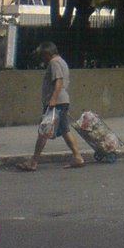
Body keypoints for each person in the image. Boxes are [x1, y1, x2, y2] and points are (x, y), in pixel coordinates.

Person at [17, 42, 84, 171]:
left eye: (42, 55)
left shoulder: (54, 63)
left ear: (47, 53)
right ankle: (77, 157)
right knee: (64, 130)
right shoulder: (61, 61)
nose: (42, 58)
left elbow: (58, 81)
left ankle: (33, 161)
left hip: (56, 102)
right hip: (61, 101)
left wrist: (52, 100)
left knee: (44, 132)